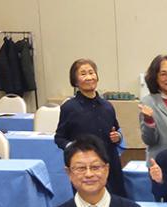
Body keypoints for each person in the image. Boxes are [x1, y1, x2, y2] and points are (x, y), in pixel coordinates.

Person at [54, 59, 126, 198]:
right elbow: (59, 138)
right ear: (75, 80)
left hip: (109, 164)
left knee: (115, 203)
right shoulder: (69, 108)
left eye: (91, 72)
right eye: (83, 73)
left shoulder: (107, 106)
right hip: (85, 168)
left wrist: (118, 137)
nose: (89, 77)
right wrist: (73, 147)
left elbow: (116, 130)